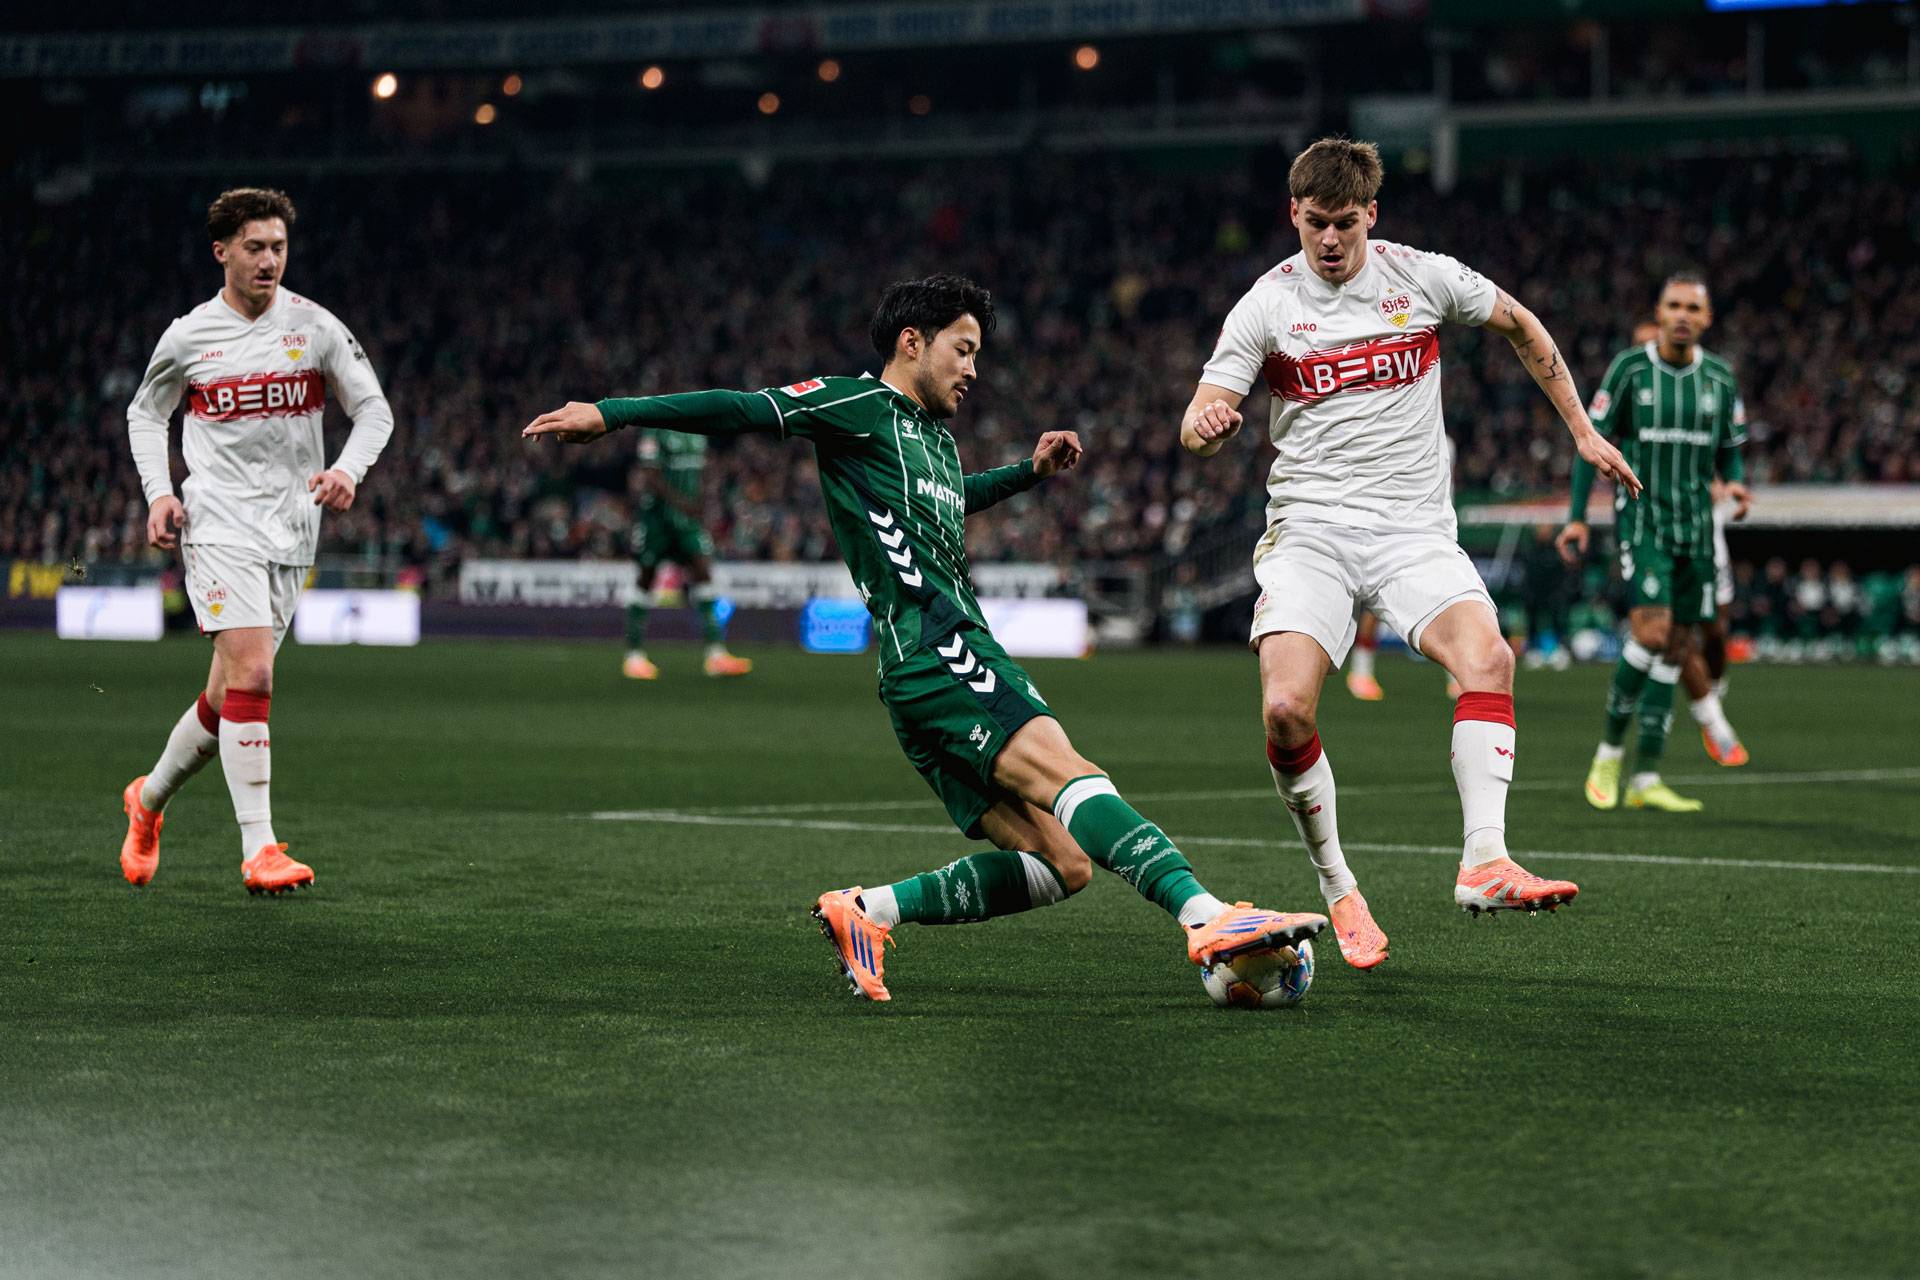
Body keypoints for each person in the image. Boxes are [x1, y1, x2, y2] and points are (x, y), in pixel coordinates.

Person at [524, 275, 1325, 1002]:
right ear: (913, 342)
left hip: (918, 675)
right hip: (940, 650)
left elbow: (947, 501)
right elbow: (741, 408)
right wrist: (612, 414)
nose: (973, 370)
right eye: (962, 350)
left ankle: (867, 910)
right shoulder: (855, 406)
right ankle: (1205, 916)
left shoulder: (934, 440)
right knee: (1074, 775)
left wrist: (1029, 473)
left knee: (1065, 863)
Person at [1180, 138, 1639, 969]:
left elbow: (1521, 323)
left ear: (1371, 215)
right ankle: (1338, 886)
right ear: (1293, 214)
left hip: (1412, 531)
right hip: (1311, 532)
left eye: (1345, 224)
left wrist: (1581, 430)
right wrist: (1208, 428)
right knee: (1285, 711)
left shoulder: (1421, 277)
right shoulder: (1265, 305)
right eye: (1315, 224)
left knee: (1489, 659)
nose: (1330, 240)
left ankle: (1485, 860)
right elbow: (1200, 417)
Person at [120, 187, 394, 893]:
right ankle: (260, 847)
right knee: (256, 676)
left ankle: (147, 801)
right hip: (216, 522)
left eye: (278, 247)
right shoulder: (190, 336)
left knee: (226, 699)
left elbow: (374, 410)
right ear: (222, 252)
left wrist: (347, 470)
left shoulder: (315, 327)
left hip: (292, 528)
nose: (269, 260)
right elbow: (146, 415)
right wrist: (160, 492)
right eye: (255, 248)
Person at [1559, 273, 1751, 812]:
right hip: (1644, 520)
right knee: (1651, 633)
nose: (1682, 315)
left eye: (1693, 307)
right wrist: (1577, 517)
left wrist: (1735, 482)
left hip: (1697, 528)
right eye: (1674, 305)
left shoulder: (1720, 379)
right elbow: (1591, 443)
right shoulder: (1629, 370)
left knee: (1677, 647)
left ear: (1707, 318)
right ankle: (1607, 754)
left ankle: (1645, 777)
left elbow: (1730, 449)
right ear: (1660, 312)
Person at [621, 427, 752, 680]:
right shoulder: (654, 431)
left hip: (688, 520)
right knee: (646, 578)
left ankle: (716, 655)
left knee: (703, 572)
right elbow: (650, 474)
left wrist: (702, 499)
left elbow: (701, 473)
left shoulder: (696, 431)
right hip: (657, 519)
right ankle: (633, 656)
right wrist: (681, 502)